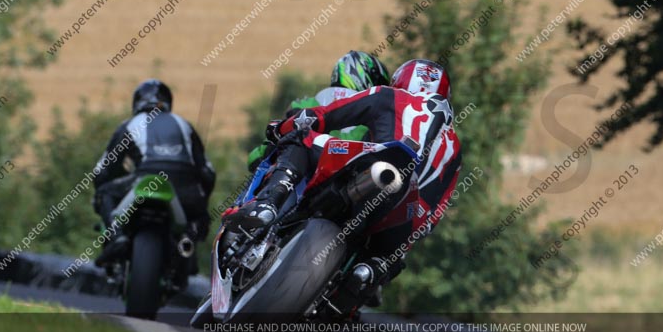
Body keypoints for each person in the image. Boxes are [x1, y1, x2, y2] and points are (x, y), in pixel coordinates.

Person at [224, 59, 462, 301]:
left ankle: (269, 204)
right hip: (404, 207)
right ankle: (368, 274)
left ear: (400, 81)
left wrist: (284, 127)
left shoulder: (387, 95)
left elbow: (327, 115)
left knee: (302, 138)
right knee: (390, 255)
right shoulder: (455, 146)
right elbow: (434, 215)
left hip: (372, 163)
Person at [93, 79, 216, 265]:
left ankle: (117, 238)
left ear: (136, 103)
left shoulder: (130, 124)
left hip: (144, 177)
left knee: (105, 192)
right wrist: (201, 203)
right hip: (184, 185)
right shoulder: (184, 124)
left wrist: (101, 196)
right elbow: (208, 172)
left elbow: (103, 170)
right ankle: (188, 245)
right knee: (198, 219)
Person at [246, 50, 391, 172]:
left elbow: (257, 157)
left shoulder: (305, 104)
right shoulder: (376, 113)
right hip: (350, 188)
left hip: (295, 182)